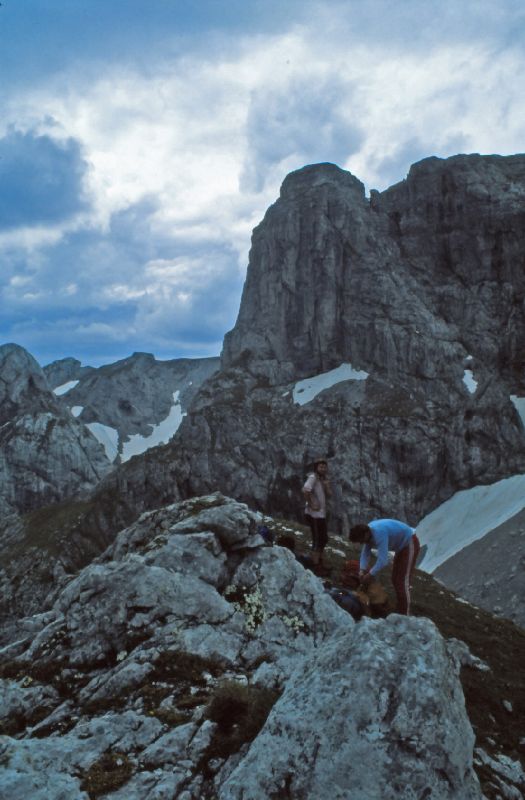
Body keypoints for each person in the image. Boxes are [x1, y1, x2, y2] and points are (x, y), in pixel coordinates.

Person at [349, 519, 420, 615]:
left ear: (365, 534)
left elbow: (383, 561)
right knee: (395, 579)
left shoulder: (379, 533)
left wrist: (369, 574)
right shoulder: (368, 533)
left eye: (361, 540)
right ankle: (400, 608)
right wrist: (361, 570)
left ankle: (405, 614)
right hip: (400, 547)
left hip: (409, 542)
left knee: (402, 581)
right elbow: (365, 553)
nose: (362, 543)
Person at [302, 459, 331, 567]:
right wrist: (311, 504)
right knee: (317, 538)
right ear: (316, 468)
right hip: (313, 515)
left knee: (324, 538)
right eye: (321, 467)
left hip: (321, 514)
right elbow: (305, 490)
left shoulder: (323, 479)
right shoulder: (313, 477)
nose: (323, 469)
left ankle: (318, 560)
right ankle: (315, 564)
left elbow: (329, 495)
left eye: (324, 467)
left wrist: (326, 486)